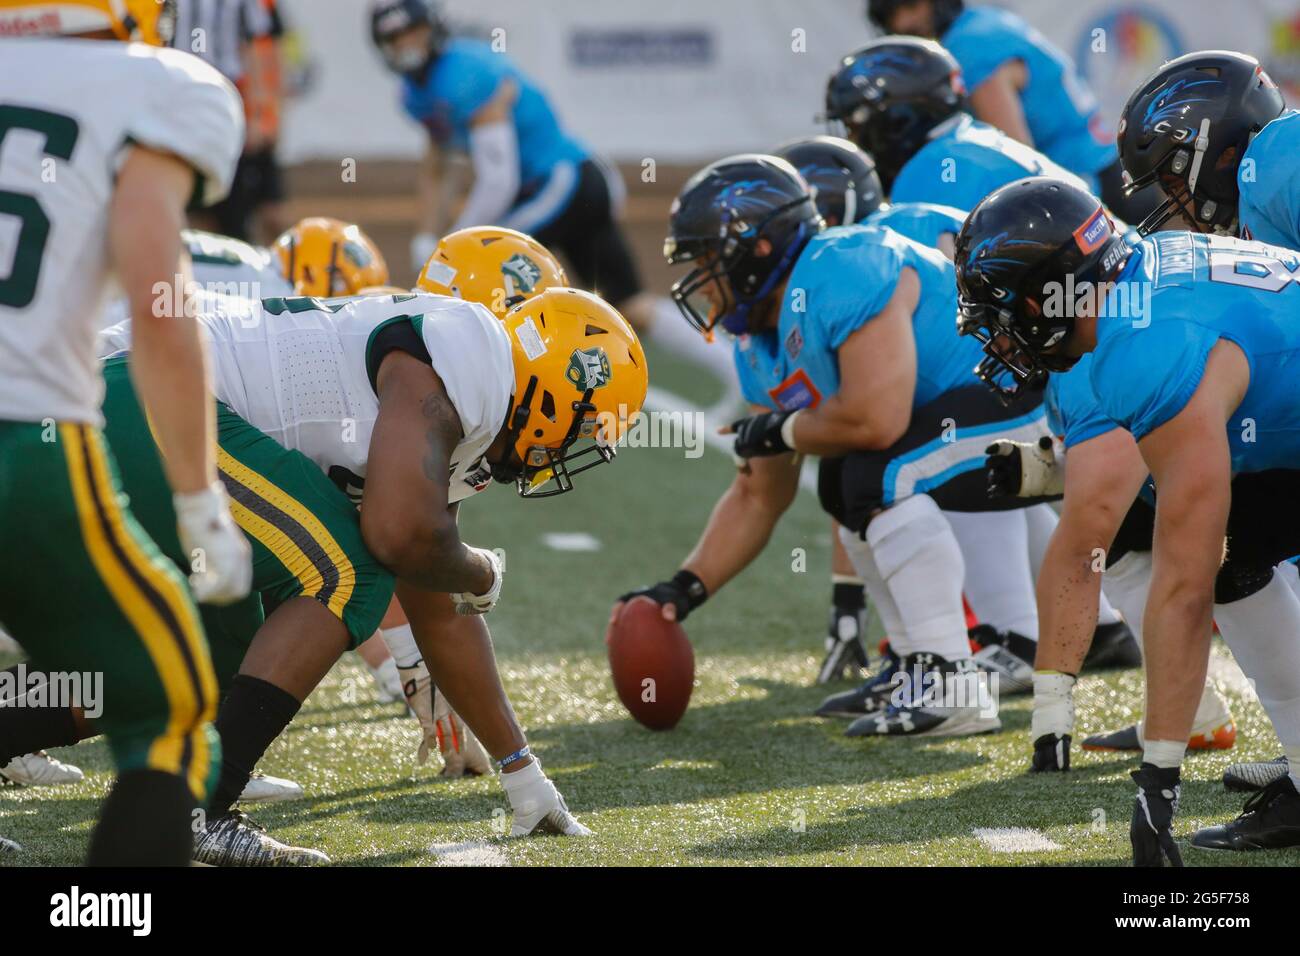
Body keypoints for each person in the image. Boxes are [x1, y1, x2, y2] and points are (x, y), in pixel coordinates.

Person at [25, 281, 641, 864]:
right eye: (583, 426)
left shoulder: (470, 417)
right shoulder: (474, 354)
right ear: (555, 386)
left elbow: (434, 601)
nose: (572, 447)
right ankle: (198, 810)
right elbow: (396, 537)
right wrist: (482, 571)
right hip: (153, 389)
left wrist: (524, 776)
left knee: (203, 658)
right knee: (348, 573)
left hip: (131, 399)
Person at [621, 155, 1064, 739]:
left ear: (754, 249)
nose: (701, 280)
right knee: (842, 483)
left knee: (876, 476)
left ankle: (951, 679)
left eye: (708, 261)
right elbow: (760, 492)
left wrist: (782, 431)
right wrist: (683, 588)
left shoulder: (841, 267)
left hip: (1029, 399)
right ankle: (916, 667)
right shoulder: (759, 344)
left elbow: (877, 421)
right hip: (974, 414)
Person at [955, 175, 1300, 860]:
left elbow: (1181, 588)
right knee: (1235, 546)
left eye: (999, 314)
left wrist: (1158, 787)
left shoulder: (1142, 348)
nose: (998, 337)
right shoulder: (1149, 266)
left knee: (1203, 559)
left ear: (1045, 295)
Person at [0, 0, 251, 864]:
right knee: (169, 709)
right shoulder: (155, 87)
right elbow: (160, 301)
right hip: (25, 445)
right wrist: (198, 499)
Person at [367, 0, 733, 384]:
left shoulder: (465, 73)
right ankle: (736, 373)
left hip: (562, 185)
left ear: (433, 28)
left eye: (412, 32)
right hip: (566, 186)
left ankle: (472, 389)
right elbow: (438, 166)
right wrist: (425, 233)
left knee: (475, 278)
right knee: (631, 304)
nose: (405, 44)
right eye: (393, 38)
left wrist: (450, 242)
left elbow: (498, 181)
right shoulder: (414, 94)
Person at [862, 1, 1155, 220]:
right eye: (892, 13)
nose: (902, 21)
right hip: (1109, 169)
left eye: (909, 6)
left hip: (1094, 187)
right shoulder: (981, 22)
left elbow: (1020, 161)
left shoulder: (967, 46)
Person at [823, 37, 1089, 208]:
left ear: (896, 120)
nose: (852, 141)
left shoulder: (926, 175)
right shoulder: (973, 138)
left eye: (854, 128)